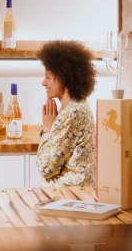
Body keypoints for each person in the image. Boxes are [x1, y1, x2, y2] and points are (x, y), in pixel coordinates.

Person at [36, 40, 97, 187]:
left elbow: (46, 168)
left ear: (63, 78)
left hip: (69, 196)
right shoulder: (74, 107)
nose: (43, 83)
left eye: (48, 77)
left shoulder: (73, 112)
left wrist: (47, 130)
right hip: (68, 195)